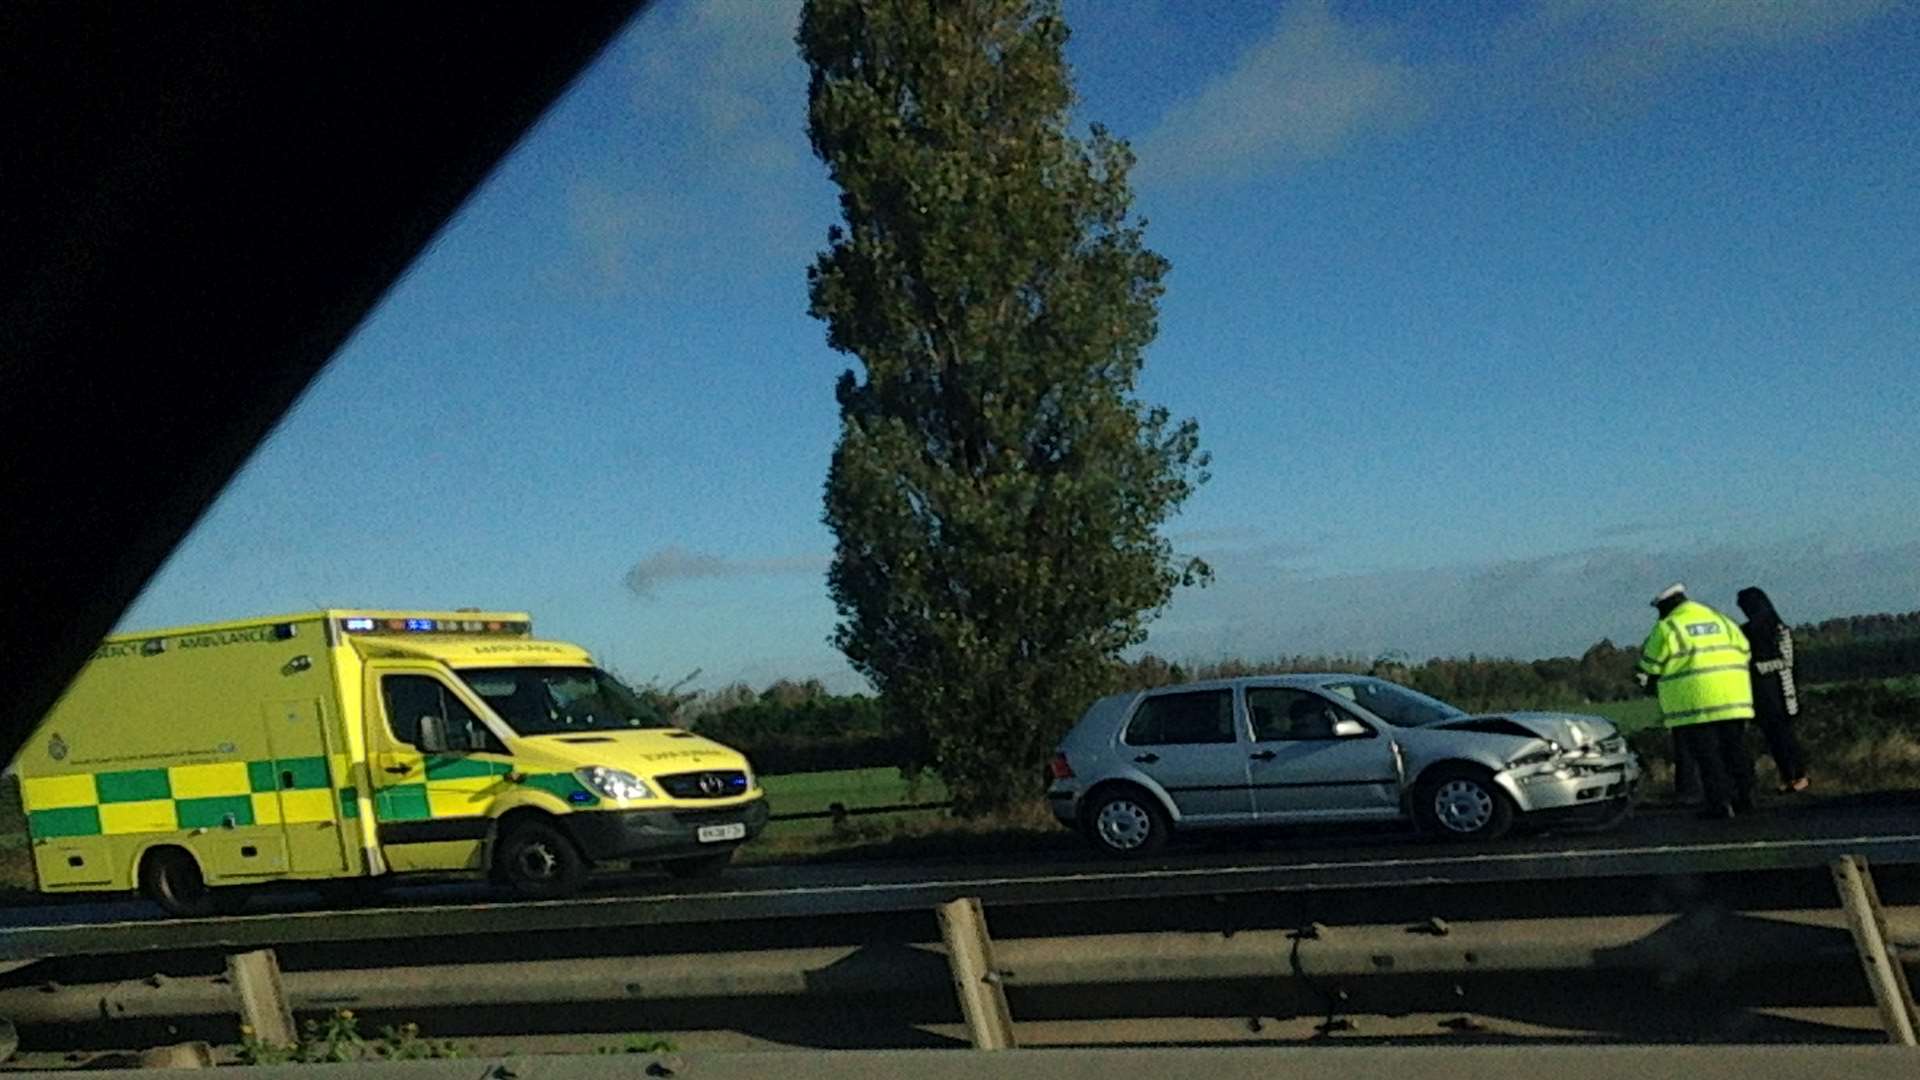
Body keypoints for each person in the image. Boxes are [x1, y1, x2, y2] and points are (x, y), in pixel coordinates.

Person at [1636, 583, 1757, 820]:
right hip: (1733, 698)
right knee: (1736, 751)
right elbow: (1745, 650)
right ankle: (1747, 797)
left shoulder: (1667, 627)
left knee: (1708, 756)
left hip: (1696, 704)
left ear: (1665, 607)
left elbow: (1649, 666)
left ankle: (1719, 804)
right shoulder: (1722, 620)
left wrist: (1646, 681)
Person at [1737, 585, 1811, 793]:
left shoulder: (1779, 629)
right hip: (1758, 692)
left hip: (1779, 690)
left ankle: (1799, 775)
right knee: (1772, 737)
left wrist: (1759, 667)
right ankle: (1787, 776)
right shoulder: (1745, 631)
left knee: (1785, 735)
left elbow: (1786, 660)